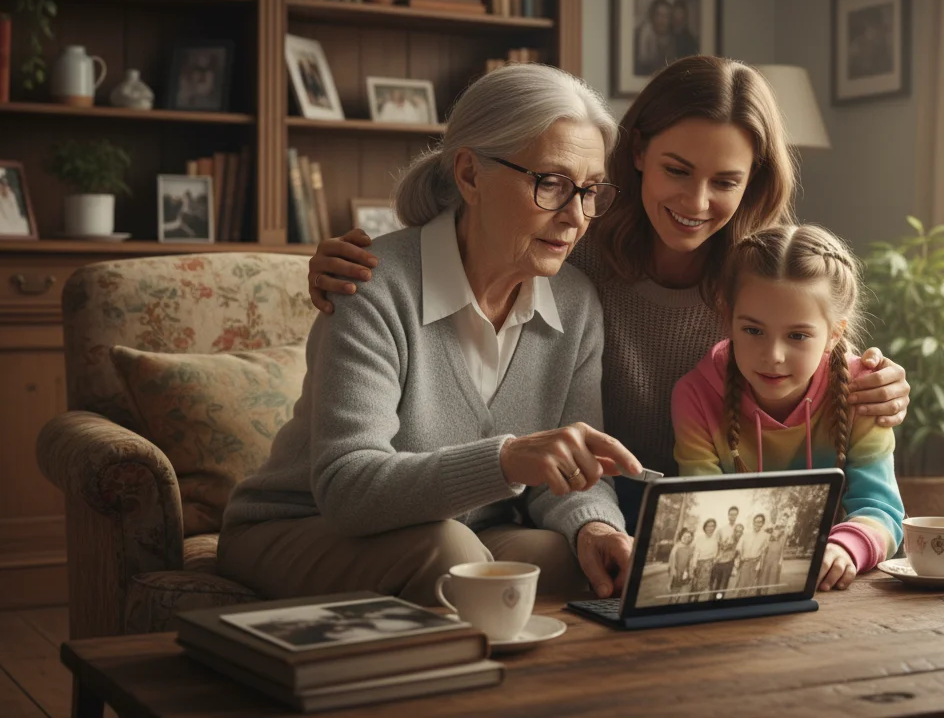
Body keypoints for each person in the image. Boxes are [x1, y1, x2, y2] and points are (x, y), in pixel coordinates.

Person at [302, 56, 911, 533]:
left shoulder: (756, 279)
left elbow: (821, 360)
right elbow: (475, 230)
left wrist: (875, 383)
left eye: (725, 181)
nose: (697, 204)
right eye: (677, 170)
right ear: (638, 153)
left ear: (753, 181)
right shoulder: (571, 253)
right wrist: (367, 264)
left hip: (679, 519)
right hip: (583, 502)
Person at [217, 64, 646, 607]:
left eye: (590, 191)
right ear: (469, 174)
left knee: (568, 557)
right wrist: (506, 459)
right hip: (300, 526)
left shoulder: (576, 302)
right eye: (551, 184)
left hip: (464, 532)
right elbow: (348, 490)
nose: (576, 217)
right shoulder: (371, 283)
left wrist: (596, 529)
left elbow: (572, 473)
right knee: (448, 553)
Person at [671, 224, 907, 592]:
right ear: (728, 318)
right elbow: (707, 511)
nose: (773, 356)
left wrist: (845, 548)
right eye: (753, 330)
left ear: (834, 333)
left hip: (831, 589)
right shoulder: (695, 396)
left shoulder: (864, 389)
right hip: (736, 584)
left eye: (797, 336)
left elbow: (883, 510)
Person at [634, 0, 673, 77]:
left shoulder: (672, 39)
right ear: (652, 16)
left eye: (666, 16)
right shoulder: (642, 36)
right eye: (659, 15)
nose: (662, 20)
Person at [733, 513, 769, 597]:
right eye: (756, 521)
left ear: (763, 523)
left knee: (751, 587)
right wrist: (740, 557)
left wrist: (759, 565)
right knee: (742, 585)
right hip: (745, 563)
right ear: (753, 522)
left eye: (760, 522)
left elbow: (764, 552)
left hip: (755, 564)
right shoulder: (746, 534)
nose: (758, 524)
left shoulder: (765, 536)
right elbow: (738, 547)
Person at [711, 509, 741, 593]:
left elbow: (740, 546)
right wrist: (722, 545)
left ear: (737, 516)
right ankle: (713, 600)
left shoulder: (739, 529)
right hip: (720, 560)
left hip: (730, 561)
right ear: (728, 515)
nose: (732, 517)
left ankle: (720, 600)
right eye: (731, 514)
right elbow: (716, 542)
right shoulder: (722, 529)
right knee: (717, 582)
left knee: (724, 583)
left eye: (735, 515)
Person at [690, 518, 719, 602]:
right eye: (708, 526)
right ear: (705, 527)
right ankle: (693, 599)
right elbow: (696, 552)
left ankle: (699, 600)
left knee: (705, 585)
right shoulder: (700, 538)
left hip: (709, 564)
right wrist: (694, 565)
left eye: (712, 526)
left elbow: (715, 553)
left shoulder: (715, 539)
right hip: (699, 563)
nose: (710, 528)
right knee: (695, 584)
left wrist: (713, 562)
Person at [667, 528, 695, 604]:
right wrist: (673, 574)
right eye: (685, 536)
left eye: (689, 537)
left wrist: (689, 573)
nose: (687, 538)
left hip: (685, 574)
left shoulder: (690, 549)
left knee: (682, 595)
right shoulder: (676, 547)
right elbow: (671, 562)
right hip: (676, 574)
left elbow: (690, 562)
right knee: (674, 594)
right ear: (681, 536)